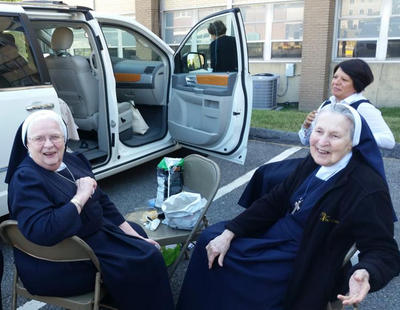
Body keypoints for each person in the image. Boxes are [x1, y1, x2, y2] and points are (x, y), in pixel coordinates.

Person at [177, 103, 400, 310]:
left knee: (241, 274)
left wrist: (366, 271)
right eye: (318, 131)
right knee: (210, 238)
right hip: (276, 236)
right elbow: (275, 201)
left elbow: (384, 251)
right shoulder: (313, 162)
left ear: (352, 142)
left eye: (335, 136)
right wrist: (230, 232)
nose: (322, 142)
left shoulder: (366, 188)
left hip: (307, 255)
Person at [5, 110, 174, 310]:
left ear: (65, 138)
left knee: (136, 231)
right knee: (147, 257)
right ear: (27, 144)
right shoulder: (26, 179)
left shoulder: (73, 160)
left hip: (87, 236)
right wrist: (81, 196)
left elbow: (103, 202)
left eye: (55, 137)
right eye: (39, 139)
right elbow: (45, 232)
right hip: (59, 261)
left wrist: (135, 238)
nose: (48, 145)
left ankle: (116, 296)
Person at [238, 58, 395, 208]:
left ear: (357, 84)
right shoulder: (328, 104)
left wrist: (350, 136)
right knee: (265, 172)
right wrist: (307, 126)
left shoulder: (363, 108)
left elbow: (389, 141)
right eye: (335, 77)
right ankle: (260, 215)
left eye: (344, 80)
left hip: (342, 168)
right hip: (316, 160)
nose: (336, 82)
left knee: (277, 179)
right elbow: (305, 141)